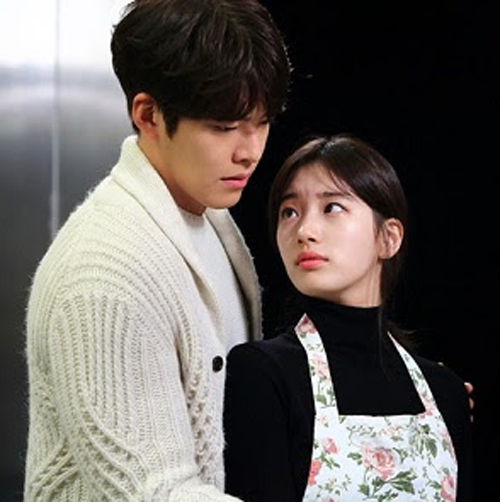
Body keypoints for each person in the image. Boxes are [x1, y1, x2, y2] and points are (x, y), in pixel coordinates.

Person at [23, 0, 290, 500]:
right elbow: (154, 492)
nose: (250, 150)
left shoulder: (208, 215)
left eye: (261, 122)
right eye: (224, 127)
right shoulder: (105, 275)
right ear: (148, 114)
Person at [223, 133, 474, 501]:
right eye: (289, 212)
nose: (305, 231)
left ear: (388, 238)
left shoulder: (446, 392)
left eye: (332, 207)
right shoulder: (262, 375)